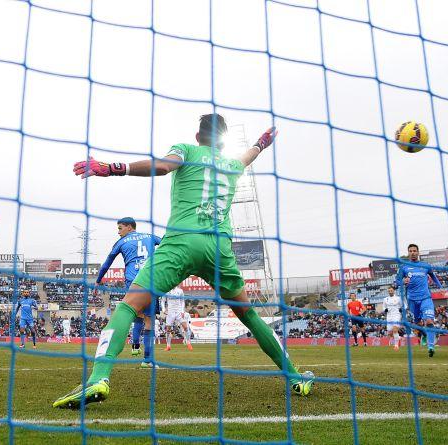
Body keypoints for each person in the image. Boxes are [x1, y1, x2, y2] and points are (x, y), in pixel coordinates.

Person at [53, 114, 313, 409]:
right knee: (249, 315)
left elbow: (163, 166)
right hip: (219, 248)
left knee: (129, 305)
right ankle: (295, 377)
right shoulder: (231, 164)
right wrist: (261, 144)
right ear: (222, 141)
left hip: (182, 242)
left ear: (198, 136)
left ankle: (99, 378)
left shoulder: (187, 150)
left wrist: (112, 168)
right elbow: (249, 156)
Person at [95, 217, 161, 359]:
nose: (118, 232)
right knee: (149, 320)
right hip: (151, 279)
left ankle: (133, 345)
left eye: (120, 228)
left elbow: (107, 263)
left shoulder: (121, 242)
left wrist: (98, 280)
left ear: (129, 227)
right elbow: (166, 244)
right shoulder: (150, 237)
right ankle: (147, 360)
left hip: (133, 282)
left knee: (134, 313)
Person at [396, 243, 442, 357]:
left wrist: (440, 286)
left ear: (418, 252)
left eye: (414, 250)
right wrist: (402, 282)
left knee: (429, 321)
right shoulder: (404, 267)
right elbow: (396, 282)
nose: (412, 252)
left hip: (425, 298)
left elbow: (433, 276)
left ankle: (431, 346)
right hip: (412, 299)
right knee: (417, 322)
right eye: (410, 251)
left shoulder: (425, 266)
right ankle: (425, 335)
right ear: (408, 253)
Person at [163, 287, 193, 353]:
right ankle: (168, 346)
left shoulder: (180, 291)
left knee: (185, 327)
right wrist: (164, 309)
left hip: (179, 312)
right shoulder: (167, 291)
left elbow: (182, 301)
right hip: (170, 312)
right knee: (168, 329)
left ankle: (188, 343)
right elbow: (163, 301)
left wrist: (182, 311)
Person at [383, 286, 403, 351]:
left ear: (394, 291)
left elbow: (403, 306)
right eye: (389, 291)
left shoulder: (398, 298)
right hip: (389, 316)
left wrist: (401, 309)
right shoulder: (385, 299)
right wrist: (385, 310)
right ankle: (399, 337)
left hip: (396, 315)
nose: (390, 292)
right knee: (390, 333)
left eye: (391, 290)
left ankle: (396, 345)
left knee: (395, 329)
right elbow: (384, 307)